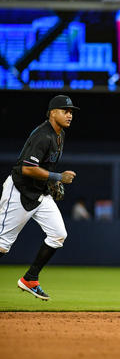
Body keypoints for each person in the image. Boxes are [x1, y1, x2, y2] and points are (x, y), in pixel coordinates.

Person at [0, 95, 80, 300]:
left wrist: (51, 182)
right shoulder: (43, 135)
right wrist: (57, 177)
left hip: (40, 193)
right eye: (65, 110)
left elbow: (45, 166)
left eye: (71, 111)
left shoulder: (59, 134)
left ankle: (30, 279)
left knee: (58, 235)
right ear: (52, 113)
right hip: (19, 190)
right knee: (2, 244)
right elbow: (27, 168)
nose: (69, 114)